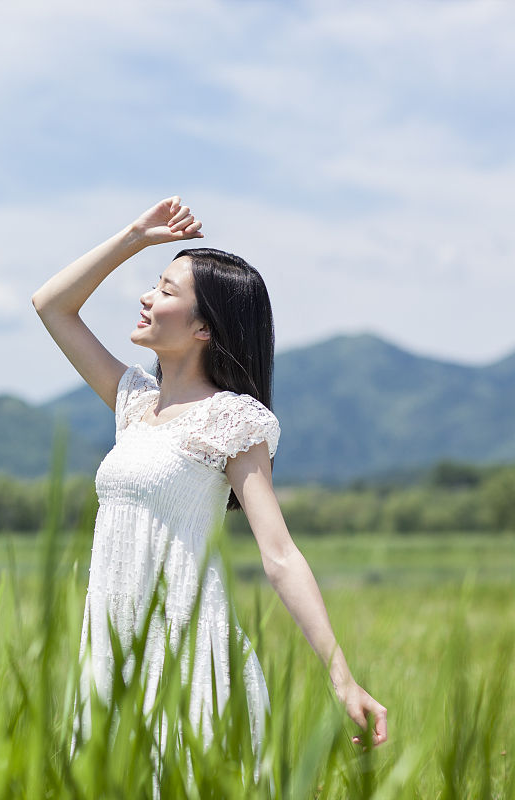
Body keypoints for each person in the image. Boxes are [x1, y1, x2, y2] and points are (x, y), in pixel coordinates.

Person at [31, 196, 387, 767]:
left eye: (167, 291)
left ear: (204, 328)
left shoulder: (233, 420)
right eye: (156, 284)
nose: (148, 297)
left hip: (186, 654)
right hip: (110, 648)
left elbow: (280, 555)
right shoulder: (134, 404)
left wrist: (342, 676)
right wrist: (134, 237)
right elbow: (51, 306)